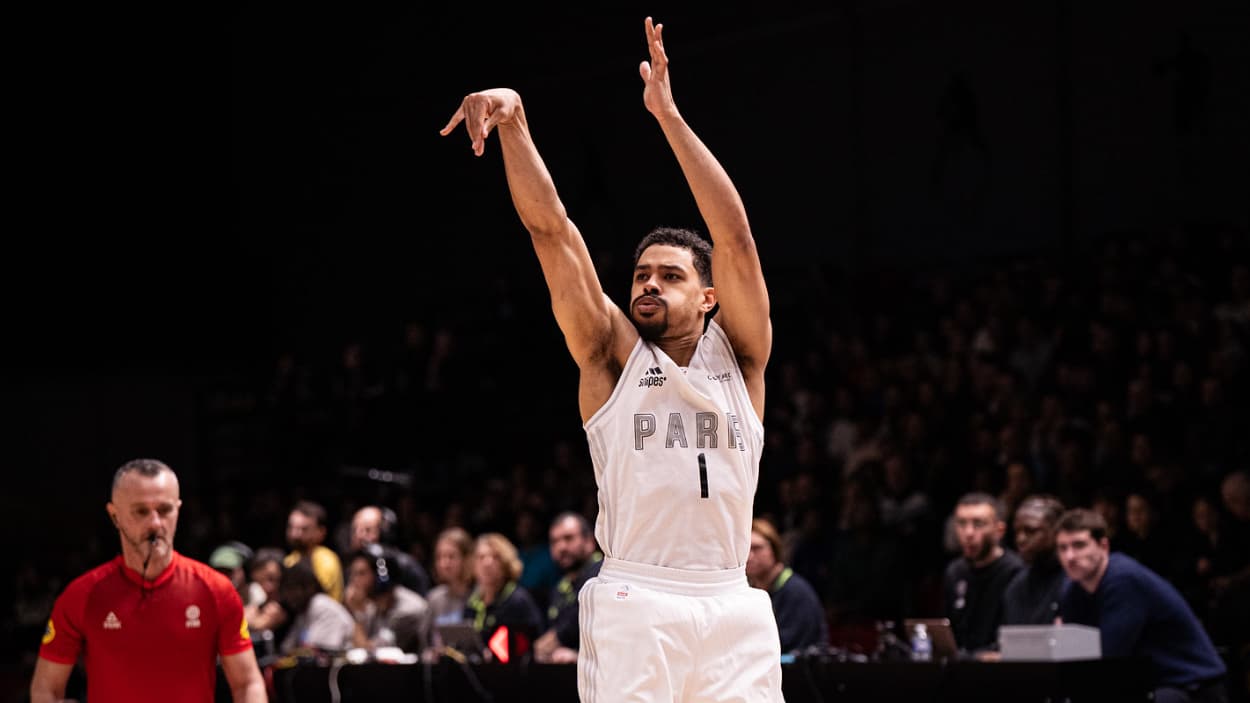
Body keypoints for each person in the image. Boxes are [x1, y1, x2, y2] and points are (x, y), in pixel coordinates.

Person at [440, 16, 783, 701]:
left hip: (732, 601)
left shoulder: (741, 358)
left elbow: (736, 235)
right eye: (641, 274)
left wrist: (669, 115)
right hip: (638, 594)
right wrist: (516, 124)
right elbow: (552, 230)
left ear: (710, 296)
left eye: (671, 275)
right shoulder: (610, 352)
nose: (649, 283)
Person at [29, 458, 266, 703]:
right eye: (141, 511)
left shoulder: (215, 590)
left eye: (164, 510)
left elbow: (248, 683)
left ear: (178, 510)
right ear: (115, 515)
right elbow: (46, 689)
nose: (155, 523)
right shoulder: (82, 595)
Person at [1056, 508, 1228, 703]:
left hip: (1190, 683)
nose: (1070, 556)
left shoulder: (1123, 579)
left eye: (1079, 545)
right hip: (1146, 683)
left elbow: (1110, 658)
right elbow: (1071, 654)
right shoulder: (1072, 587)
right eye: (1062, 548)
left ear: (1103, 546)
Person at [942, 492, 1024, 655]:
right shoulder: (955, 572)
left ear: (999, 530)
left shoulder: (1016, 572)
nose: (969, 533)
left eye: (978, 524)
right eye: (962, 524)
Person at [747, 517, 829, 653]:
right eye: (745, 549)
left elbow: (786, 645)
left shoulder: (797, 592)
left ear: (774, 549)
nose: (749, 556)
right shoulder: (748, 592)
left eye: (757, 548)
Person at [534, 511, 603, 663]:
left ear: (589, 541)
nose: (561, 547)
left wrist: (578, 656)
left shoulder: (603, 574)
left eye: (568, 538)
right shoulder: (560, 588)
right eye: (554, 541)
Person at [464, 533, 543, 660]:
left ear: (506, 563)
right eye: (481, 557)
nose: (487, 563)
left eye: (495, 557)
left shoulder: (518, 601)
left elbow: (530, 647)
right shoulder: (472, 603)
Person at [344, 545, 432, 654]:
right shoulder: (373, 606)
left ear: (381, 578)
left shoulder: (408, 610)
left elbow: (369, 653)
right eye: (353, 574)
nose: (354, 580)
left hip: (411, 670)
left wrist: (357, 614)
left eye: (361, 574)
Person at [1001, 494, 1067, 626]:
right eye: (1017, 532)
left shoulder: (1076, 580)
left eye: (1030, 531)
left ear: (1057, 532)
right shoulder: (1016, 585)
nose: (1021, 539)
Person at [276, 558, 354, 656]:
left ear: (310, 587)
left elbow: (318, 653)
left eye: (292, 588)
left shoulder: (321, 605)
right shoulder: (303, 613)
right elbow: (286, 649)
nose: (288, 595)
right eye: (285, 590)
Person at [349, 504, 431, 596]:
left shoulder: (405, 566)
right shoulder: (349, 566)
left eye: (368, 530)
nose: (359, 536)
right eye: (355, 530)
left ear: (384, 533)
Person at [284, 499, 344, 602]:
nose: (295, 535)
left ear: (321, 532)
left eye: (304, 529)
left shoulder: (326, 559)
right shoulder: (290, 560)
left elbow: (309, 596)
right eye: (292, 527)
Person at [427, 527, 475, 629]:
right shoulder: (434, 599)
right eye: (440, 557)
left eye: (451, 556)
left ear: (467, 559)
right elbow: (426, 640)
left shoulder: (480, 597)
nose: (444, 564)